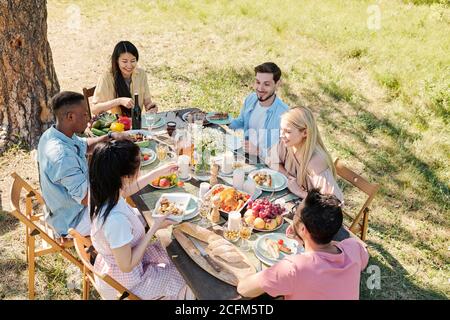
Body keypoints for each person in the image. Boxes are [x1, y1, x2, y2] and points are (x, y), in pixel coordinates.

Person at [89, 140, 193, 300]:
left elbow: (128, 189)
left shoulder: (106, 191)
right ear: (124, 176)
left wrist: (159, 171)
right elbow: (127, 265)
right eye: (139, 166)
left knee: (179, 253)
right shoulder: (116, 221)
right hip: (130, 282)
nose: (140, 169)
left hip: (125, 262)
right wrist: (154, 228)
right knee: (189, 278)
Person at [237, 189, 369, 300]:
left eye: (295, 213)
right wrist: (307, 240)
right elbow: (363, 257)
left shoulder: (293, 268)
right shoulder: (354, 247)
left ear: (303, 229)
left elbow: (243, 289)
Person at [37, 91, 130, 237]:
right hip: (73, 220)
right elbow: (87, 199)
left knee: (126, 209)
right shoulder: (61, 156)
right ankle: (114, 254)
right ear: (70, 117)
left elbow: (85, 145)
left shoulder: (55, 133)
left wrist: (109, 137)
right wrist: (117, 181)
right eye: (85, 114)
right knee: (128, 218)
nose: (89, 118)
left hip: (65, 209)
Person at [266, 106, 344, 201]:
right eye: (281, 129)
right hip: (291, 199)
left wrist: (300, 192)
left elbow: (332, 204)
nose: (281, 135)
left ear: (305, 133)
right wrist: (288, 177)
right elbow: (271, 159)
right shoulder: (288, 144)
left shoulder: (315, 161)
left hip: (312, 211)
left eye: (288, 131)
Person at [229, 62, 289, 158]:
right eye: (258, 82)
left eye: (266, 84)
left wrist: (258, 151)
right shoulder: (251, 99)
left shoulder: (285, 114)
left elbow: (285, 152)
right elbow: (241, 121)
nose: (260, 88)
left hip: (267, 165)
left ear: (277, 84)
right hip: (245, 157)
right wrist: (225, 120)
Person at [91, 40, 157, 116]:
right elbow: (95, 110)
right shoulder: (106, 77)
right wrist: (119, 101)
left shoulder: (141, 74)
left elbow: (147, 102)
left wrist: (151, 108)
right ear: (117, 61)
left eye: (133, 61)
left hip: (136, 123)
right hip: (115, 125)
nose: (129, 66)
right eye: (124, 61)